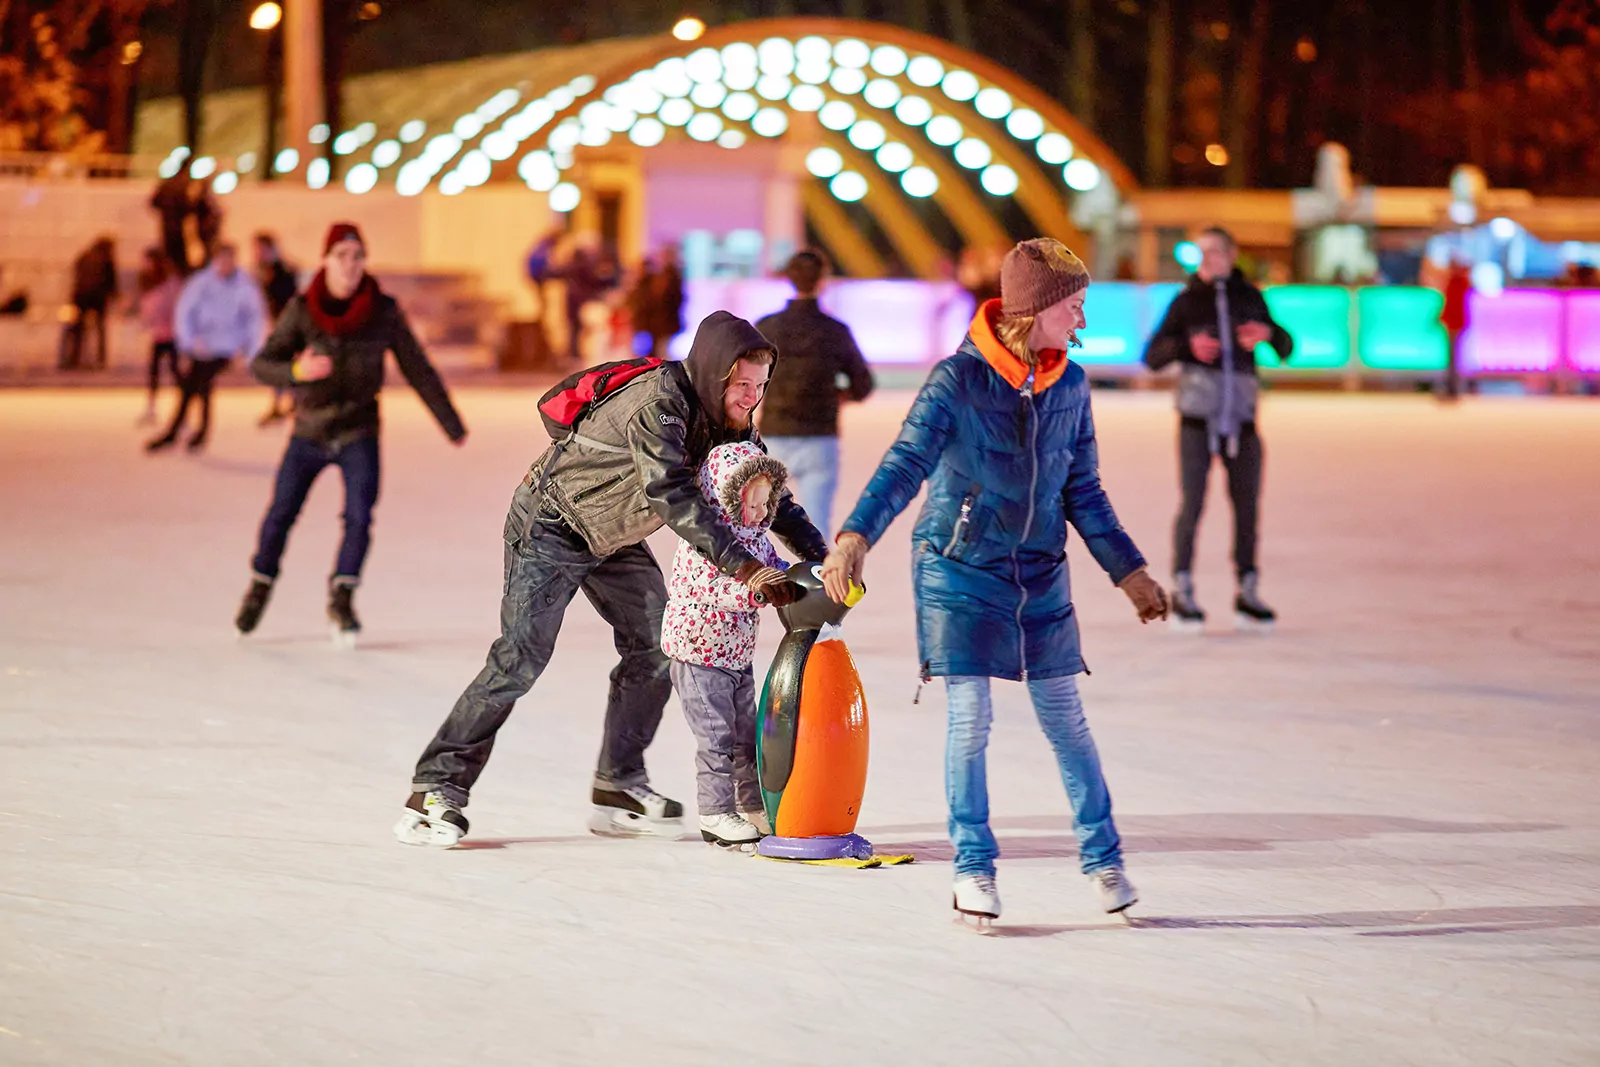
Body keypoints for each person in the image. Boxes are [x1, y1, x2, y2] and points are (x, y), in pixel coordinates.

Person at [820, 238, 1168, 924]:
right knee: (971, 718)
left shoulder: (1070, 385)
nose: (1083, 320)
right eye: (1074, 306)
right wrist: (856, 535)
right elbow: (905, 462)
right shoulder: (958, 380)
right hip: (957, 566)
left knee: (1066, 719)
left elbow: (1083, 490)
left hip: (1038, 570)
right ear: (1035, 309)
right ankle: (973, 868)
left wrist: (1129, 571)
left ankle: (1105, 861)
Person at [395, 310, 828, 849]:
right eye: (742, 384)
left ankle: (617, 784)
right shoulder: (659, 404)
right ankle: (435, 787)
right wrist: (745, 566)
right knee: (520, 658)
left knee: (658, 645)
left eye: (760, 387)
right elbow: (671, 493)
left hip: (613, 535)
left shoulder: (729, 421)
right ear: (715, 371)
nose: (751, 397)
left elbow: (769, 493)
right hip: (553, 524)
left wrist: (821, 557)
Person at [236, 223, 467, 641]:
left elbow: (417, 367)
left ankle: (342, 596)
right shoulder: (303, 309)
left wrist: (450, 423)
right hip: (309, 429)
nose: (350, 264)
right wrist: (296, 371)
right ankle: (260, 584)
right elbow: (261, 364)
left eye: (358, 256)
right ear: (325, 261)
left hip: (359, 431)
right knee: (280, 514)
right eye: (341, 256)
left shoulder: (383, 311)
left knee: (359, 517)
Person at [1141, 226, 1293, 631]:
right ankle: (1183, 587)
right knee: (1192, 503)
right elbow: (1151, 356)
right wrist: (1186, 347)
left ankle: (1248, 589)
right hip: (1197, 420)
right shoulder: (1186, 302)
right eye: (1202, 253)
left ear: (1231, 255)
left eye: (1215, 252)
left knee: (1247, 507)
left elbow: (1286, 346)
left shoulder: (1250, 297)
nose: (1207, 260)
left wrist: (1267, 334)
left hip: (1242, 422)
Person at [661, 440, 791, 849]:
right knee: (716, 738)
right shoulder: (703, 541)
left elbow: (775, 567)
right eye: (751, 505)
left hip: (735, 655)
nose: (759, 513)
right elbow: (713, 588)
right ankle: (715, 812)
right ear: (726, 500)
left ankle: (751, 806)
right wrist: (755, 593)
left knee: (745, 736)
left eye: (765, 504)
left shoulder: (756, 538)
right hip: (698, 657)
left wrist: (798, 578)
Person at [755, 250, 875, 536]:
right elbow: (863, 383)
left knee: (759, 523)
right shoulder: (835, 330)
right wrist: (841, 394)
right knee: (816, 528)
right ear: (823, 280)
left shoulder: (766, 327)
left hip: (775, 432)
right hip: (820, 436)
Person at [146, 242, 268, 452]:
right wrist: (188, 342)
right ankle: (186, 431)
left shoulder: (245, 286)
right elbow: (185, 311)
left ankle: (188, 431)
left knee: (200, 383)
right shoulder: (201, 283)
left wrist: (250, 351)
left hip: (227, 347)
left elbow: (254, 319)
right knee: (193, 386)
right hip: (202, 345)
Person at [253, 231, 300, 426]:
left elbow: (289, 300)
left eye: (260, 249)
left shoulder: (281, 271)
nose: (257, 253)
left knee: (283, 364)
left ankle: (291, 403)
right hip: (277, 326)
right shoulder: (266, 271)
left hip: (286, 327)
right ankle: (285, 403)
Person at [135, 249, 182, 425]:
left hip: (171, 335)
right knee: (154, 373)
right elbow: (147, 307)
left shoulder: (170, 283)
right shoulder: (148, 282)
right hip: (157, 334)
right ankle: (151, 407)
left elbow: (173, 306)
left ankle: (182, 409)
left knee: (176, 373)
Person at [59, 236, 118, 371]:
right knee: (100, 329)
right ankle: (100, 358)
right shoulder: (106, 259)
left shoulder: (85, 255)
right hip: (97, 298)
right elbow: (111, 281)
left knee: (77, 329)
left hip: (79, 296)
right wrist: (114, 296)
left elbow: (76, 273)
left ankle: (74, 358)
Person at [1440, 258, 1471, 402]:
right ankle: (1452, 388)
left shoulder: (1458, 282)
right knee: (1453, 358)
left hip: (1455, 325)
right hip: (1454, 324)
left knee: (1454, 359)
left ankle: (1453, 389)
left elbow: (1455, 304)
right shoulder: (1459, 281)